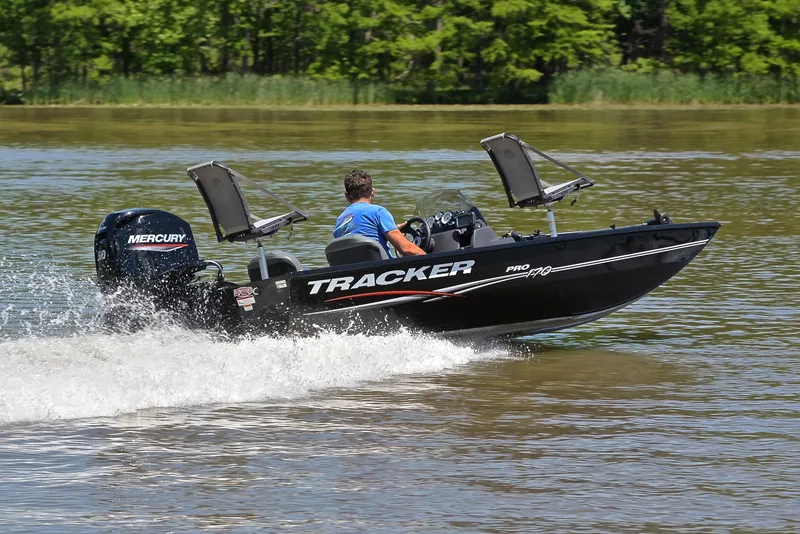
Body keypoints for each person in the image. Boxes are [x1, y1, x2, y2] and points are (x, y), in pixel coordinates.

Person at [333, 169, 425, 257]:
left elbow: (360, 239)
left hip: (356, 268)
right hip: (383, 267)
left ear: (347, 196)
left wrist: (392, 229)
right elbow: (406, 249)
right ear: (372, 192)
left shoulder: (339, 222)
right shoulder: (378, 212)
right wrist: (430, 258)